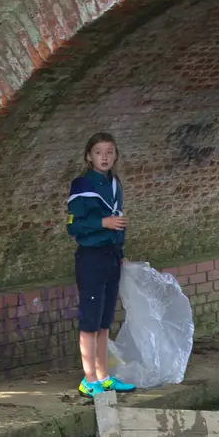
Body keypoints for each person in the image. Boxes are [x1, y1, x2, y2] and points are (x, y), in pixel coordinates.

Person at [66, 132, 137, 397]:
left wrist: (120, 251)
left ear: (115, 156)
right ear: (88, 156)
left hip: (111, 256)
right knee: (90, 320)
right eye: (99, 152)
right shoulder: (82, 185)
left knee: (105, 320)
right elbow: (73, 227)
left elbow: (119, 220)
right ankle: (89, 380)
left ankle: (104, 376)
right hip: (91, 257)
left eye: (109, 152)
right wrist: (102, 223)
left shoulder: (115, 184)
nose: (105, 157)